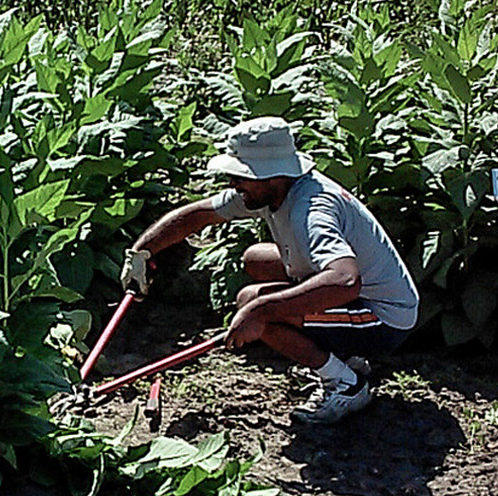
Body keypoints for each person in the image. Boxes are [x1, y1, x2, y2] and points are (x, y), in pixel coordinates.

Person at [119, 116, 419, 423]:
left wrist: (262, 311)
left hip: (383, 318)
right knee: (256, 260)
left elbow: (345, 281)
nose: (233, 184)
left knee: (257, 309)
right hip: (363, 295)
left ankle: (345, 382)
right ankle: (341, 353)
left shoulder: (311, 209)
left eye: (240, 176)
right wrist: (142, 252)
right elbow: (198, 215)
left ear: (270, 175)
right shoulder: (274, 189)